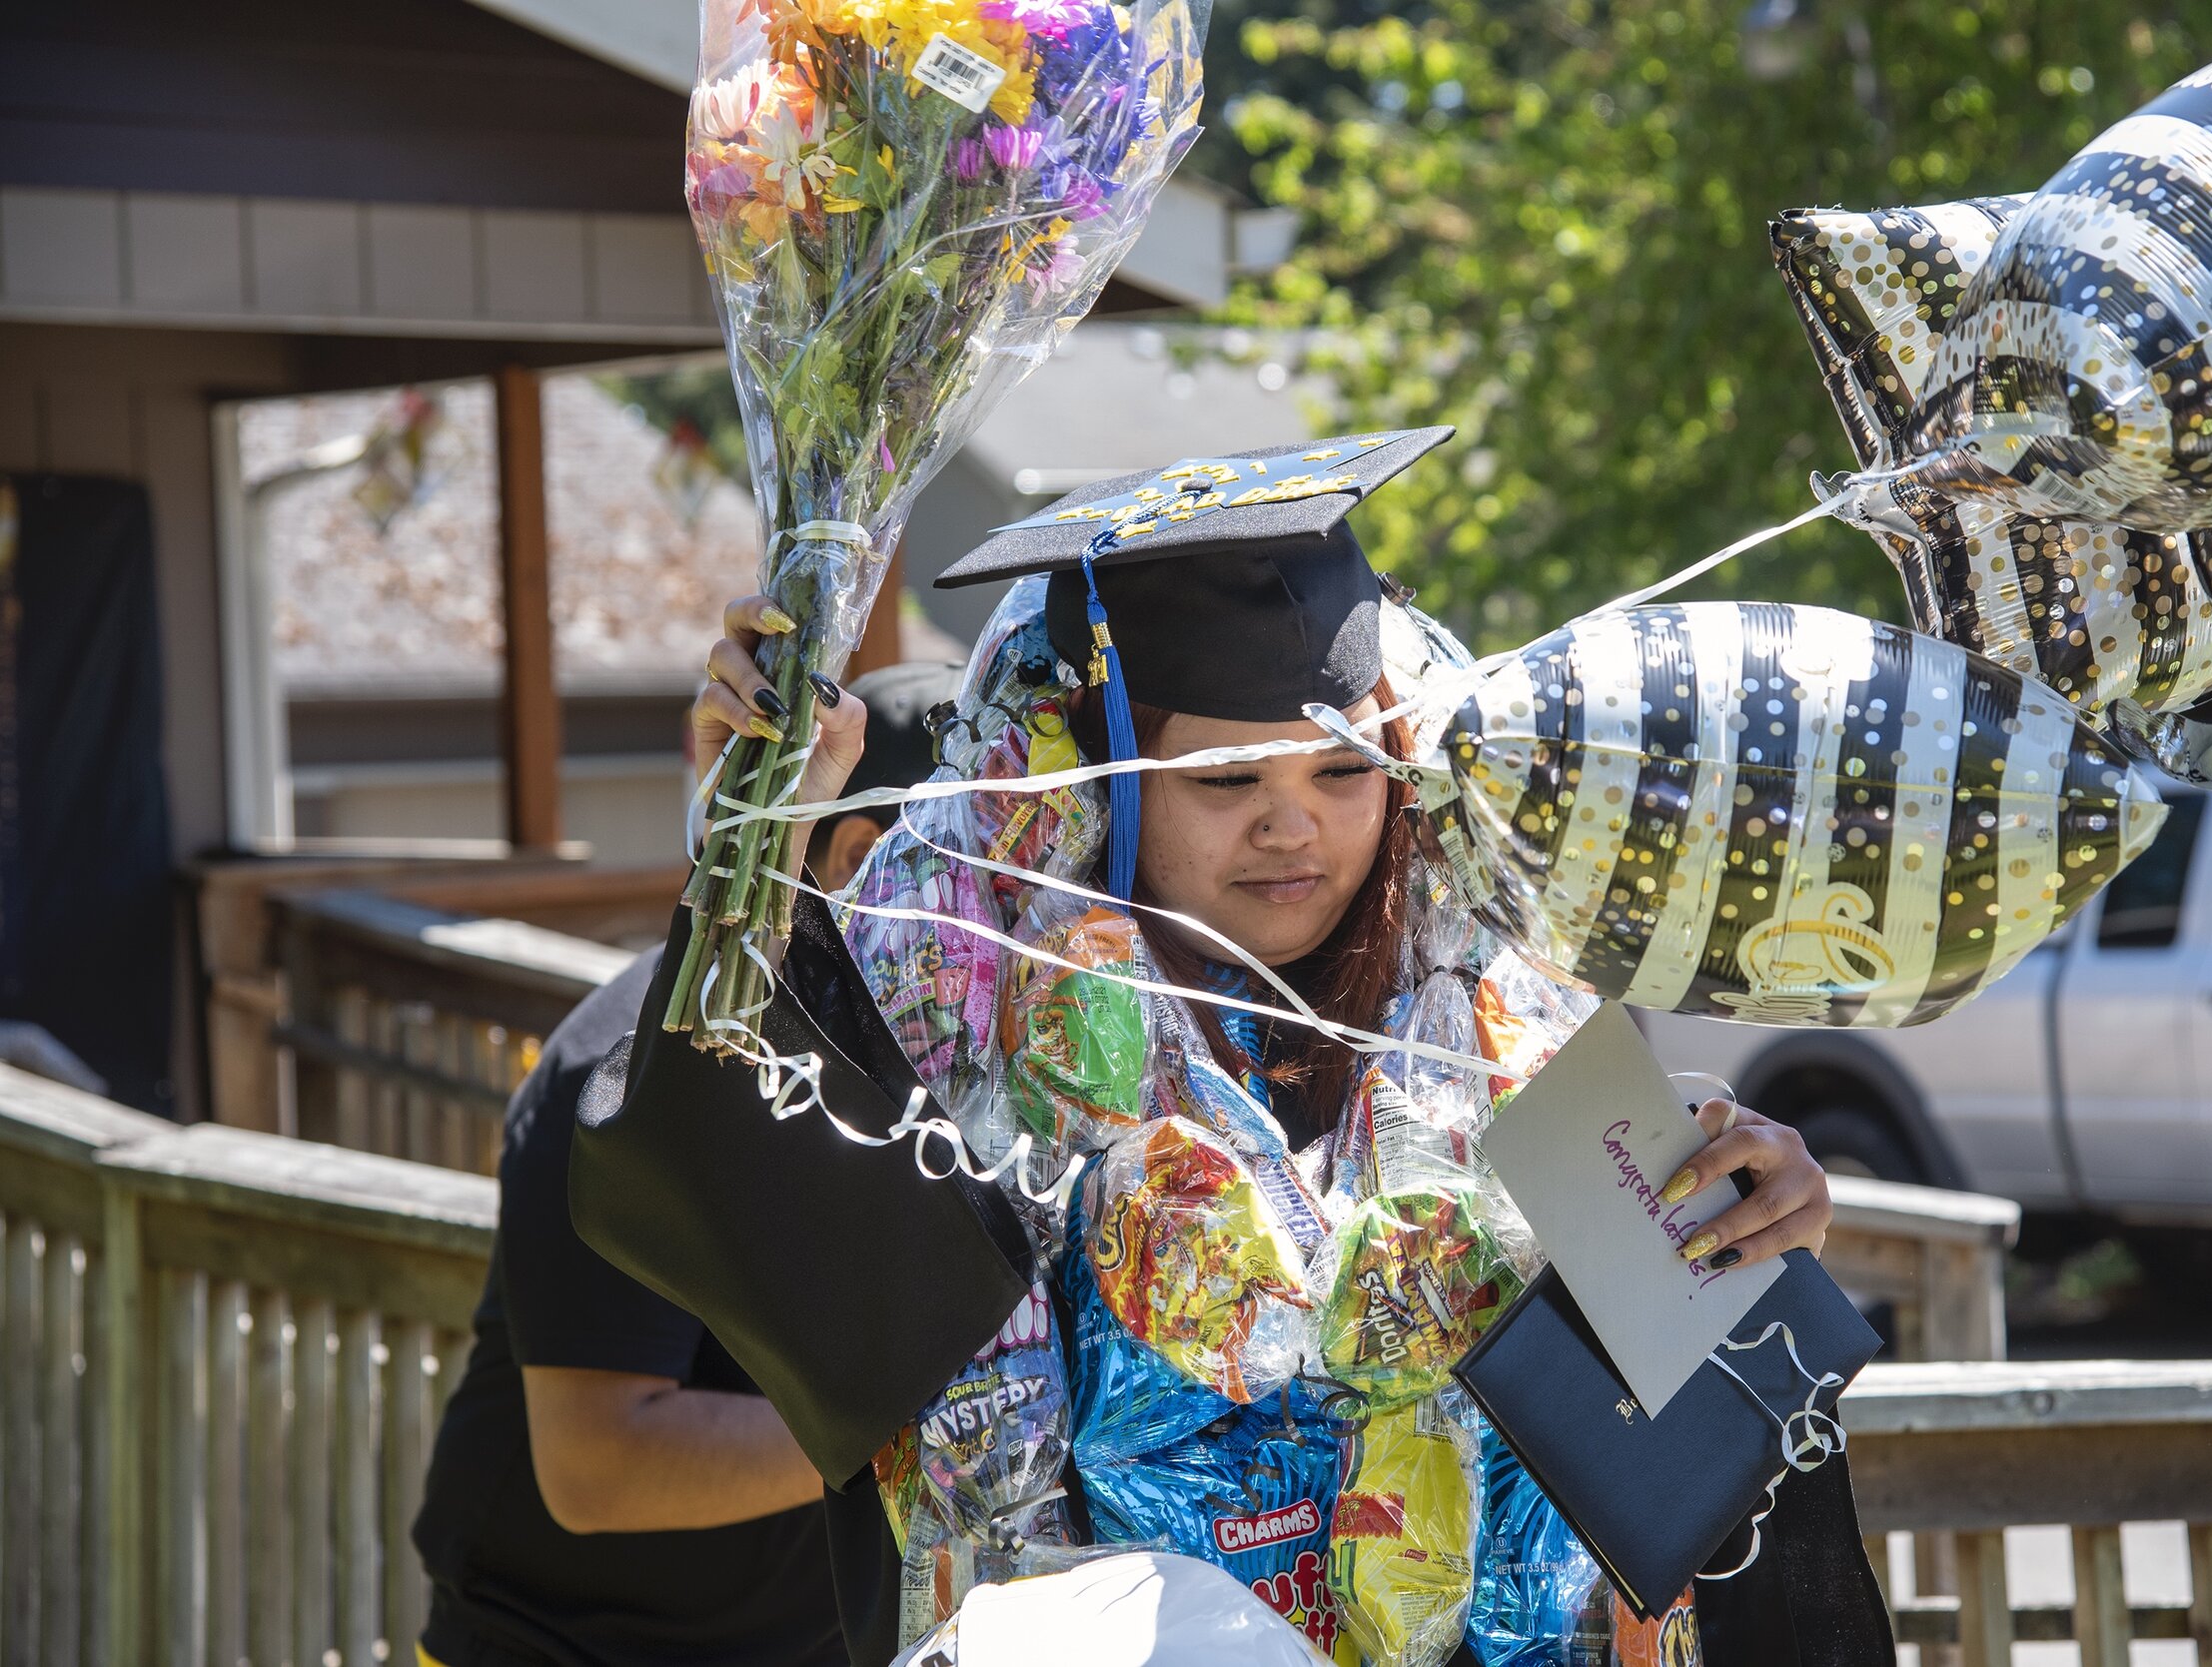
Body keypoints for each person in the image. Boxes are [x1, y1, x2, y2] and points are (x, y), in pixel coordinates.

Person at [654, 429, 1856, 1666]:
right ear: (1109, 778)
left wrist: (1752, 1230)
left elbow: (1667, 1420)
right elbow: (757, 1208)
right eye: (1227, 781)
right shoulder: (973, 1020)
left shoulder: (1492, 1008)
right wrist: (757, 861)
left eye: (1343, 768)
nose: (1295, 826)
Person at [411, 660, 960, 1667]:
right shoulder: (634, 1067)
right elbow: (597, 1459)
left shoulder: (954, 1067)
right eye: (988, 877)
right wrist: (934, 1420)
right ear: (860, 853)